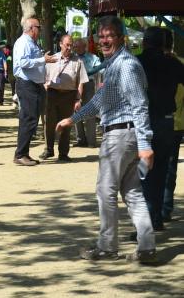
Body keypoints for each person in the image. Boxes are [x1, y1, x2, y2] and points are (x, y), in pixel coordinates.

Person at [56, 16, 156, 263]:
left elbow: (140, 105)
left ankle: (107, 247)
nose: (104, 40)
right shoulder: (113, 65)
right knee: (132, 192)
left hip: (121, 136)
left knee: (105, 191)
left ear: (121, 38)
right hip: (123, 134)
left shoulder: (127, 66)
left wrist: (145, 145)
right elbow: (101, 101)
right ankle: (146, 248)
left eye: (109, 35)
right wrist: (74, 118)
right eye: (101, 36)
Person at [137, 27, 184, 230]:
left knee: (142, 173)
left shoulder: (136, 62)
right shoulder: (172, 63)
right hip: (166, 122)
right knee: (162, 171)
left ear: (145, 42)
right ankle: (156, 217)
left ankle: (147, 222)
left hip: (142, 122)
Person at [12, 17, 57, 166]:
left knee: (31, 120)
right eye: (39, 27)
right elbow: (22, 63)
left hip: (34, 85)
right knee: (28, 119)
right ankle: (20, 154)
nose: (40, 30)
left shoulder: (31, 42)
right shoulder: (24, 42)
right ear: (31, 28)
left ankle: (24, 153)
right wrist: (42, 60)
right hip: (27, 85)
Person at [39, 35, 88, 162]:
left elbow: (80, 82)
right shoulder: (52, 59)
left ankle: (63, 153)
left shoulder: (78, 61)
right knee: (49, 123)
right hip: (52, 94)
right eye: (67, 45)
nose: (69, 47)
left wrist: (78, 99)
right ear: (60, 44)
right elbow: (43, 77)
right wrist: (45, 87)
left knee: (66, 124)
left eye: (71, 45)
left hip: (69, 96)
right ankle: (48, 149)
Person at [162, 28, 184, 222]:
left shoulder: (150, 65)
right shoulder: (181, 65)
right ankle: (166, 207)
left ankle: (157, 209)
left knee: (152, 168)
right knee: (170, 167)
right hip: (177, 124)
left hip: (156, 122)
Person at [73, 38, 101, 148]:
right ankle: (80, 140)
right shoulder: (72, 58)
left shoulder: (93, 57)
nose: (77, 49)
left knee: (90, 112)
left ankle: (91, 141)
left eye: (79, 46)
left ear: (85, 46)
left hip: (88, 84)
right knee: (75, 112)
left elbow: (100, 68)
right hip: (74, 86)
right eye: (75, 47)